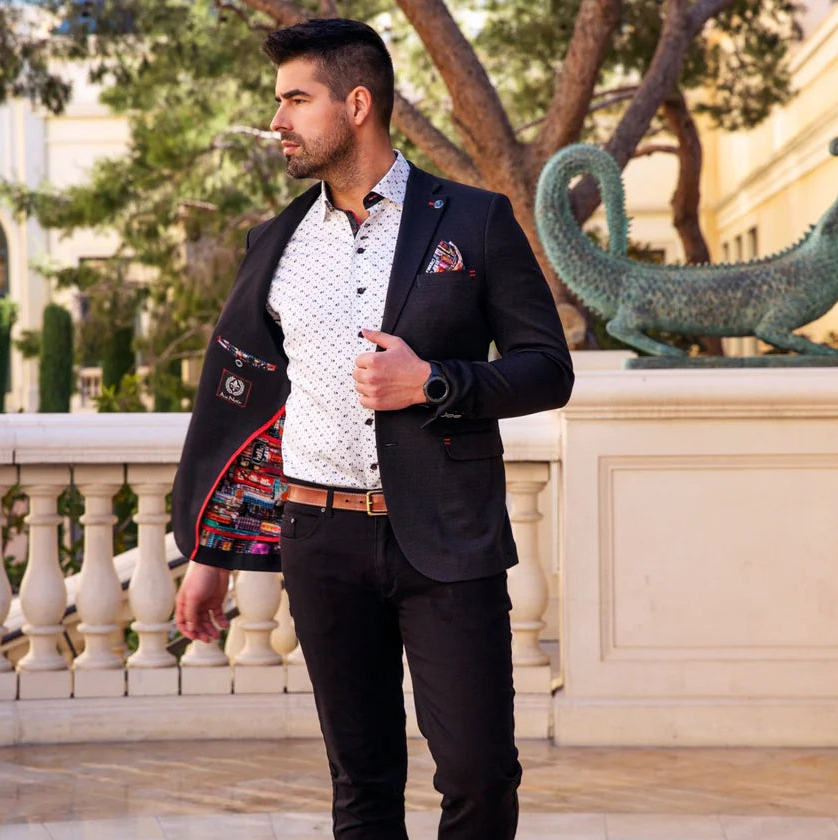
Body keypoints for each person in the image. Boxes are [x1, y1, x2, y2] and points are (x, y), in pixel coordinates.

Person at [171, 18, 574, 840]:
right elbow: (239, 406)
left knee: (479, 776)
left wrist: (433, 381)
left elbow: (547, 367)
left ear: (357, 104)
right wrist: (210, 552)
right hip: (319, 541)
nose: (277, 120)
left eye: (295, 100)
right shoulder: (274, 244)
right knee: (361, 784)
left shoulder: (474, 220)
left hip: (448, 538)